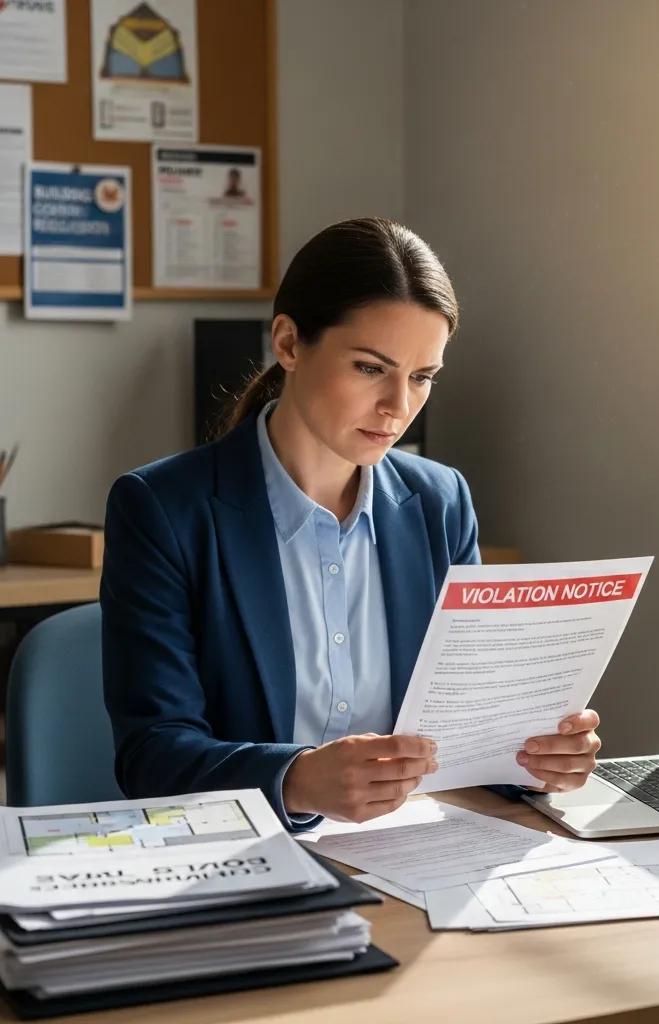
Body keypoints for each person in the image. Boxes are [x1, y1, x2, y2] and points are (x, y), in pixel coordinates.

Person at [101, 217, 602, 830]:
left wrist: (533, 757)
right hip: (249, 851)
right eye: (370, 368)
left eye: (421, 377)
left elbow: (469, 730)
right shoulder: (161, 508)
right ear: (288, 343)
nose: (398, 407)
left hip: (413, 849)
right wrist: (296, 779)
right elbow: (151, 757)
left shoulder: (441, 501)